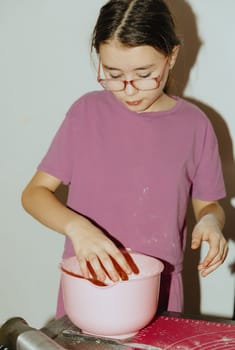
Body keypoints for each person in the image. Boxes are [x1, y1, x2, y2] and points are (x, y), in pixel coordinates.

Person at [21, 0, 228, 318]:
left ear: (171, 57)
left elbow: (208, 205)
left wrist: (212, 220)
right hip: (91, 284)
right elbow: (33, 195)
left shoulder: (195, 125)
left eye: (144, 74)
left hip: (160, 291)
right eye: (114, 75)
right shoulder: (86, 113)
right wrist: (77, 228)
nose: (129, 90)